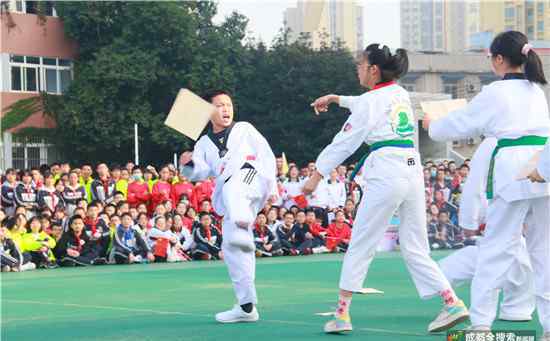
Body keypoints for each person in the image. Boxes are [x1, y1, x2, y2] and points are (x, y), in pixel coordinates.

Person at [306, 43, 467, 334]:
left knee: (362, 241)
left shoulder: (371, 101)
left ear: (373, 69)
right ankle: (451, 301)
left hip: (387, 172)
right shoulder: (399, 94)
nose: (357, 69)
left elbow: (345, 141)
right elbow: (366, 104)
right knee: (415, 246)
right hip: (411, 170)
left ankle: (342, 314)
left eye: (360, 64)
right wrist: (336, 98)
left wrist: (317, 174)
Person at [423, 31, 549, 337]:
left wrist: (433, 126)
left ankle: (481, 324)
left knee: (496, 249)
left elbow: (462, 122)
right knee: (544, 252)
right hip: (542, 165)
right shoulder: (536, 91)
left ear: (499, 59)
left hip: (511, 168)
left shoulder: (496, 93)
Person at [179, 89, 277, 323]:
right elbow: (201, 171)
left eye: (229, 105)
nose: (226, 109)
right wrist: (188, 163)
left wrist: (273, 187)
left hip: (253, 178)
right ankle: (246, 307)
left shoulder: (245, 128)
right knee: (234, 249)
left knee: (235, 182)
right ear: (208, 111)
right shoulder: (203, 142)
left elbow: (266, 154)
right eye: (220, 105)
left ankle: (241, 221)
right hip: (232, 198)